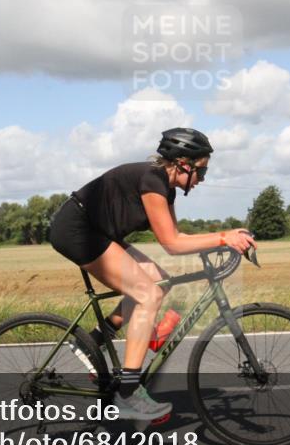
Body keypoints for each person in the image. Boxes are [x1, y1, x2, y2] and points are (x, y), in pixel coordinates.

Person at [49, 128, 257, 420]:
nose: (202, 179)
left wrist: (223, 239)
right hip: (78, 231)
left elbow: (177, 237)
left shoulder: (164, 187)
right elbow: (172, 244)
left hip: (97, 231)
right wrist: (224, 237)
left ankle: (91, 342)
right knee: (147, 295)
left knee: (159, 283)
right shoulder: (153, 181)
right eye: (201, 171)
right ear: (182, 164)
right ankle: (128, 394)